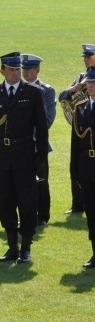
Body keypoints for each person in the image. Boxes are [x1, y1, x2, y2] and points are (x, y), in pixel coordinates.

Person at [0, 52, 49, 264]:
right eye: (10, 70)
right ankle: (12, 247)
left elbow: (41, 126)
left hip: (24, 155)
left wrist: (40, 156)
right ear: (2, 71)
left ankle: (26, 248)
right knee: (5, 201)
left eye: (17, 70)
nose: (15, 73)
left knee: (27, 202)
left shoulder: (32, 92)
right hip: (1, 156)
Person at [59, 43, 95, 215]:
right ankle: (77, 203)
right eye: (85, 58)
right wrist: (76, 88)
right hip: (80, 126)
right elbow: (63, 97)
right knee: (76, 163)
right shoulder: (81, 77)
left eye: (89, 57)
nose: (86, 60)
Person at [21, 53, 56, 227]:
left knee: (41, 181)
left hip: (37, 143)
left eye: (29, 69)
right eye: (23, 69)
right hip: (19, 145)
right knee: (21, 182)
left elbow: (48, 119)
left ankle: (42, 216)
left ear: (38, 70)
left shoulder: (46, 91)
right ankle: (26, 214)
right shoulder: (17, 89)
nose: (25, 72)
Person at [70, 69, 95, 269]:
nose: (92, 86)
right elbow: (76, 144)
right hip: (87, 167)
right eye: (90, 83)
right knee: (92, 212)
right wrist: (75, 171)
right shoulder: (80, 108)